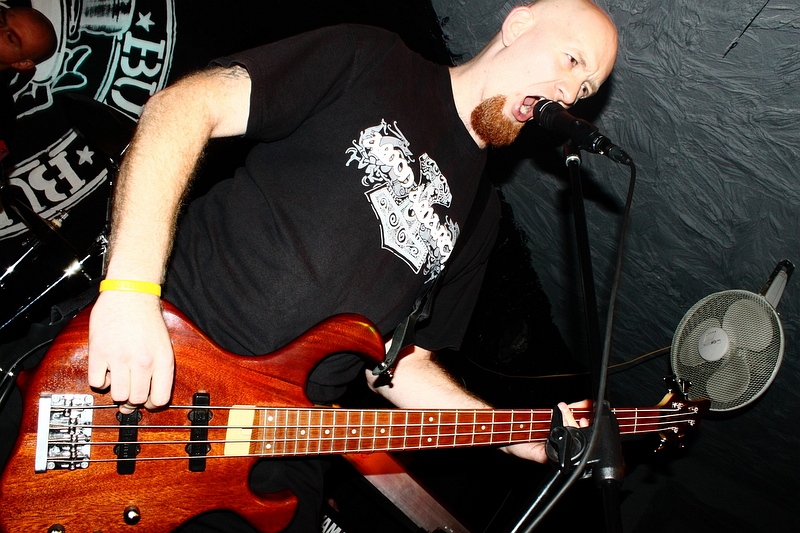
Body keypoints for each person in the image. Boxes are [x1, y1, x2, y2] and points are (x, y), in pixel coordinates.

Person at [87, 0, 618, 530]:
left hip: (272, 452)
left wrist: (516, 435)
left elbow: (400, 366)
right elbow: (184, 108)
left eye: (587, 88)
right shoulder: (374, 58)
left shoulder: (480, 219)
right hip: (163, 351)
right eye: (572, 61)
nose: (572, 95)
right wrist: (131, 291)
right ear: (517, 24)